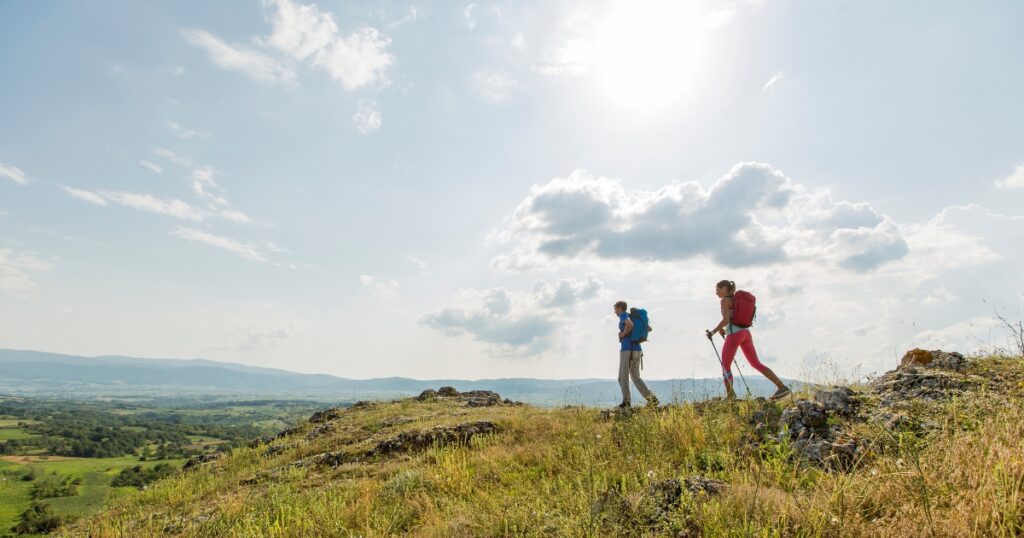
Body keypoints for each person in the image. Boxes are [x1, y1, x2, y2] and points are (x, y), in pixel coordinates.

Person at [707, 280, 791, 400]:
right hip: (745, 333)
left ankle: (730, 396)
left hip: (734, 335)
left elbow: (725, 320)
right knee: (756, 363)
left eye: (717, 289)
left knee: (725, 366)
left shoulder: (724, 300)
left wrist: (713, 332)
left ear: (724, 288)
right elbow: (731, 319)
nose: (716, 293)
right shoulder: (735, 301)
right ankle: (782, 387)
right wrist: (722, 329)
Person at [614, 300, 659, 408]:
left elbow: (629, 325)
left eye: (615, 309)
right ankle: (652, 399)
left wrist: (622, 335)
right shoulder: (634, 317)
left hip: (627, 350)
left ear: (620, 308)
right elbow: (649, 328)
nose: (614, 312)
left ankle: (626, 402)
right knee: (635, 376)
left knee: (622, 377)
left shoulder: (623, 315)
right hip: (637, 349)